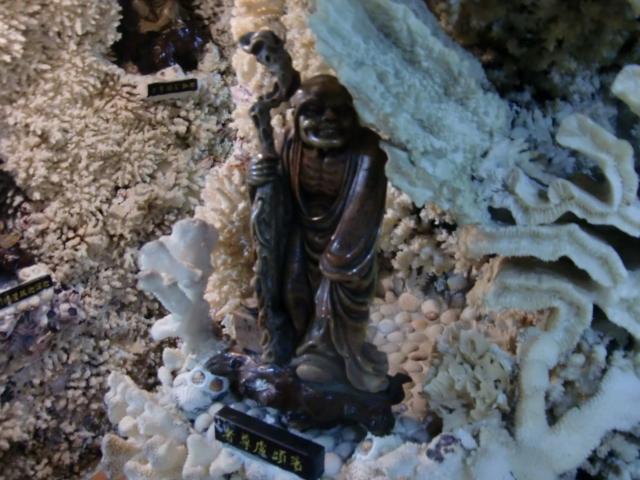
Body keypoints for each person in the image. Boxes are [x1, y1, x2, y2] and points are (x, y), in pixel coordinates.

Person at [262, 75, 390, 393]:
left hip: (345, 246)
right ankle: (294, 345)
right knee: (293, 289)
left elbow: (362, 210)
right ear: (296, 116)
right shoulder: (289, 142)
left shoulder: (368, 153)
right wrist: (260, 179)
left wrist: (338, 256)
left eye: (341, 111)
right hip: (301, 233)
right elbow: (276, 195)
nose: (330, 119)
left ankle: (324, 356)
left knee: (331, 295)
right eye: (315, 111)